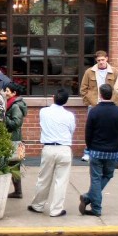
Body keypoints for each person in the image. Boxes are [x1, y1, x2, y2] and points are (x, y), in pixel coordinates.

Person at [79, 84, 118, 216]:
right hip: (112, 151)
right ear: (112, 95)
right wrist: (117, 147)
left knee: (95, 178)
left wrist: (89, 146)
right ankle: (91, 201)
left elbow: (88, 132)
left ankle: (93, 203)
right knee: (108, 175)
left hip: (96, 150)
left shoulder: (94, 111)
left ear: (100, 94)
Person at [28, 88, 75, 217]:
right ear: (66, 101)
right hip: (64, 148)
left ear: (53, 97)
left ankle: (38, 205)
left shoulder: (44, 112)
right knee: (61, 180)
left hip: (48, 148)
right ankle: (56, 209)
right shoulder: (69, 115)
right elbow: (71, 130)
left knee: (43, 178)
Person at [79, 51, 118, 162]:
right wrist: (89, 102)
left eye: (102, 60)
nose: (101, 62)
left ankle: (110, 153)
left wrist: (114, 102)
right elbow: (83, 89)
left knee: (110, 128)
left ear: (107, 59)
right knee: (91, 129)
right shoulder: (89, 72)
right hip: (94, 105)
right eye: (98, 60)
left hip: (109, 105)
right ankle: (87, 152)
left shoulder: (114, 72)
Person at [3, 82, 27, 198]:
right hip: (11, 139)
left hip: (14, 139)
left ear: (14, 93)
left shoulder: (15, 106)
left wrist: (5, 118)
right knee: (13, 165)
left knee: (14, 165)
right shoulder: (10, 104)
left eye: (7, 91)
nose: (5, 93)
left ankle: (18, 191)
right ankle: (18, 191)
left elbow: (16, 123)